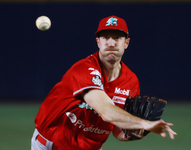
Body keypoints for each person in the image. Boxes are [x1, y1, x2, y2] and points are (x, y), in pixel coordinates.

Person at [31, 15, 177, 150]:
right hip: (52, 144)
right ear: (98, 42)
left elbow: (117, 131)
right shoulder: (83, 69)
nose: (111, 43)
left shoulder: (131, 81)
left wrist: (135, 132)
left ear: (126, 43)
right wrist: (145, 123)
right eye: (106, 37)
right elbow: (106, 112)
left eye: (117, 38)